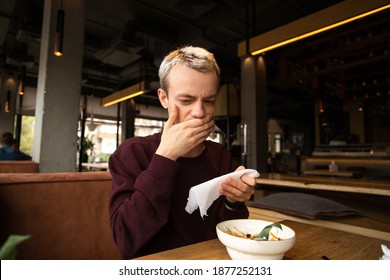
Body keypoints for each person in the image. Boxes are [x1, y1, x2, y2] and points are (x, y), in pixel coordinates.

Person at [108, 45, 258, 259]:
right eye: (186, 101)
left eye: (209, 101)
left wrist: (234, 201)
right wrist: (165, 157)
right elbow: (126, 239)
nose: (199, 112)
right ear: (164, 98)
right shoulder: (132, 154)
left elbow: (227, 231)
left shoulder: (221, 156)